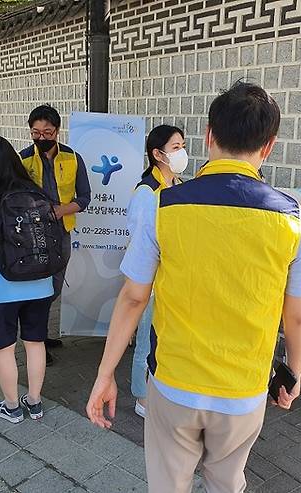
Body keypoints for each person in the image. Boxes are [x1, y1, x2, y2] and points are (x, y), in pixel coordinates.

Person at [86, 81, 301, 492]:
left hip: (175, 383)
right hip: (244, 389)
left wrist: (105, 373)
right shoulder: (294, 218)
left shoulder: (164, 206)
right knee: (228, 483)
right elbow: (299, 316)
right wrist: (293, 373)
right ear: (269, 146)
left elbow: (133, 296)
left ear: (209, 135)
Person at [0, 135, 55, 422]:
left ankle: (11, 407)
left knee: (4, 346)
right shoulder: (35, 190)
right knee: (35, 342)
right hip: (41, 279)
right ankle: (34, 402)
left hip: (3, 283)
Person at [20, 104, 91, 364]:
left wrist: (60, 211)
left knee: (54, 286)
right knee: (37, 288)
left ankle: (39, 333)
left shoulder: (73, 158)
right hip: (33, 236)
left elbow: (85, 197)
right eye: (36, 133)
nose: (41, 138)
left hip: (62, 233)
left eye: (47, 132)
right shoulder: (23, 159)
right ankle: (34, 340)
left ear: (57, 131)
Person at [128, 124, 186, 419]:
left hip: (174, 279)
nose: (182, 153)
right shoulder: (146, 193)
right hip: (151, 279)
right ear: (157, 154)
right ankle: (141, 396)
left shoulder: (179, 187)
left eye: (182, 146)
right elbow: (139, 243)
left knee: (163, 338)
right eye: (176, 148)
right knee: (146, 338)